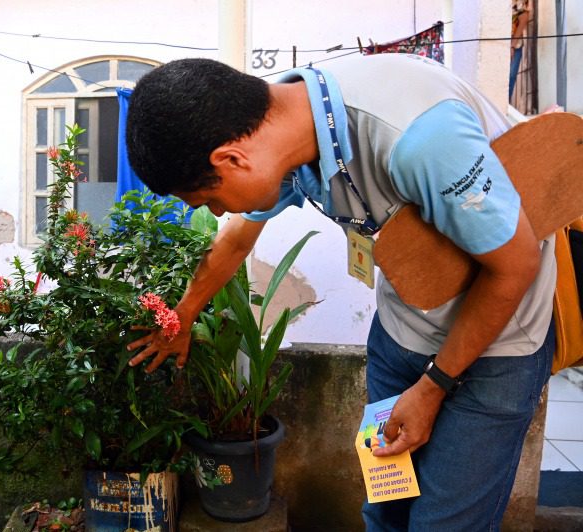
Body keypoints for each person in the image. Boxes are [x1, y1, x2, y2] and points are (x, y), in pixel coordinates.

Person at [124, 54, 556, 530]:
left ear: (231, 160)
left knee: (444, 525)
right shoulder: (284, 125)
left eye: (210, 200)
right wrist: (181, 318)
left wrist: (433, 389)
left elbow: (514, 269)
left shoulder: (418, 138)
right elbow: (236, 239)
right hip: (399, 338)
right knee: (385, 506)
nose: (219, 210)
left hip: (494, 351)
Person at [510, 0, 531, 100]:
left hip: (513, 45)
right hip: (498, 44)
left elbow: (523, 18)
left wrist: (512, 45)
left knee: (509, 77)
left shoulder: (518, 2)